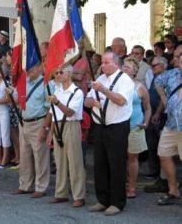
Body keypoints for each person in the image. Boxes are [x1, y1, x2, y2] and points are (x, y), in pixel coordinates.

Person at [85, 52, 134, 216]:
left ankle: (117, 202)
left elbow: (121, 100)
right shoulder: (100, 79)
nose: (102, 65)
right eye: (102, 62)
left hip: (117, 126)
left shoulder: (124, 80)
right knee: (100, 164)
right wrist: (92, 101)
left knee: (116, 164)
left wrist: (104, 91)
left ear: (116, 63)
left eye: (106, 62)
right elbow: (87, 100)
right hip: (100, 125)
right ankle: (102, 199)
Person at [46, 65, 86, 207]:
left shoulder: (76, 92)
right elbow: (54, 114)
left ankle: (78, 195)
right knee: (59, 161)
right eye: (56, 72)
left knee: (75, 161)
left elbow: (70, 112)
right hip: (58, 126)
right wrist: (50, 133)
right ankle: (61, 192)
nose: (57, 75)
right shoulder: (57, 90)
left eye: (60, 72)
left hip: (71, 125)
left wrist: (57, 102)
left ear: (69, 74)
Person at [10, 63, 51, 198]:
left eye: (34, 67)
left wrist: (45, 127)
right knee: (25, 155)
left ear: (40, 68)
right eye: (29, 68)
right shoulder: (23, 82)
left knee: (40, 156)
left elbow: (50, 108)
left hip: (38, 122)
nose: (30, 71)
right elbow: (16, 100)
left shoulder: (46, 84)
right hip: (24, 123)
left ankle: (41, 186)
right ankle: (25, 185)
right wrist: (11, 94)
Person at [155, 46, 182, 205]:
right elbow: (157, 81)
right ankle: (173, 190)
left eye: (180, 55)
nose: (177, 58)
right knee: (163, 154)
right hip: (172, 124)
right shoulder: (172, 74)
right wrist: (165, 101)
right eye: (177, 55)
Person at [122, 57, 151, 198]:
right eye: (123, 66)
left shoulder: (140, 87)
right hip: (118, 126)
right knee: (119, 157)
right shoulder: (116, 85)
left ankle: (132, 187)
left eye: (128, 67)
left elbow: (147, 108)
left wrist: (145, 122)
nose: (124, 68)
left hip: (135, 126)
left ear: (135, 71)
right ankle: (120, 184)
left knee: (132, 157)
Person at [143, 56, 168, 191]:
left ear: (163, 66)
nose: (151, 68)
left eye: (154, 66)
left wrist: (157, 113)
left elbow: (164, 97)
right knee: (152, 145)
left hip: (161, 117)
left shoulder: (166, 78)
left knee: (162, 147)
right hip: (151, 114)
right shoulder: (154, 77)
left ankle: (163, 177)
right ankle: (154, 172)